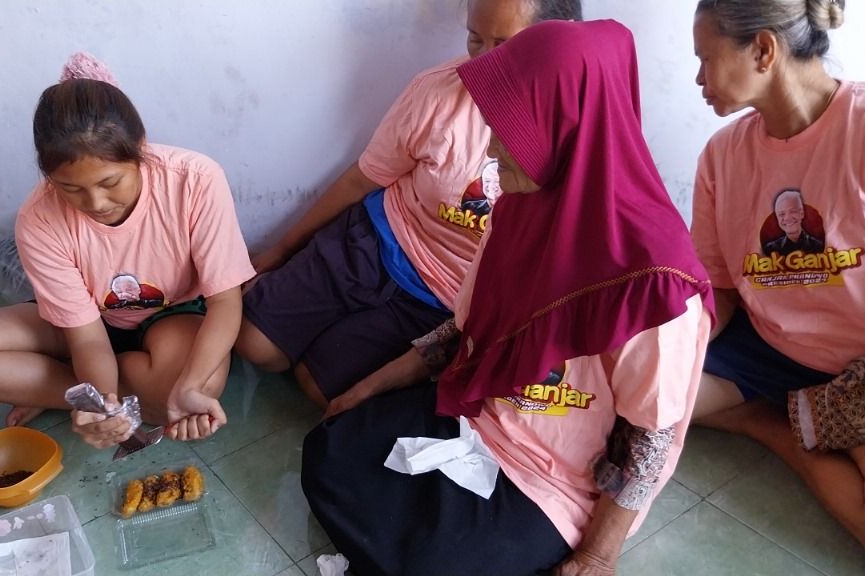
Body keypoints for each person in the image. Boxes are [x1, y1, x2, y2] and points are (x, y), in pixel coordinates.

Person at [302, 20, 714, 576]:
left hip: (558, 481)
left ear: (565, 126)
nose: (492, 148)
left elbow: (652, 434)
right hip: (484, 417)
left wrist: (598, 553)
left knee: (429, 555)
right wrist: (374, 384)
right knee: (328, 453)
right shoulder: (519, 214)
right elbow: (471, 331)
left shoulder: (656, 284)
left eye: (506, 130)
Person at [234, 0, 583, 416]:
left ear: (559, 40)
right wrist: (281, 250)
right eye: (475, 38)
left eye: (506, 43)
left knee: (318, 385)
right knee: (254, 342)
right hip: (374, 243)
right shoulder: (439, 90)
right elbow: (362, 178)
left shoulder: (576, 132)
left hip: (441, 299)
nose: (486, 61)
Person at [689, 0, 865, 567]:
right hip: (765, 350)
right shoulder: (721, 156)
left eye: (706, 58)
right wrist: (670, 347)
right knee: (638, 401)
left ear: (763, 50)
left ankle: (790, 423)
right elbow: (715, 290)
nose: (697, 78)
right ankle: (781, 422)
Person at [0, 54, 254, 445]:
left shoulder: (195, 180)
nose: (96, 202)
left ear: (141, 150)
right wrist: (100, 406)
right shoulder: (39, 218)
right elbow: (86, 337)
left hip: (173, 315)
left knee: (186, 390)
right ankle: (96, 398)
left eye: (111, 181)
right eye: (70, 188)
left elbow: (226, 302)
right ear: (48, 176)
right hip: (82, 324)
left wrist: (191, 386)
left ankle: (54, 386)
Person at [760, 189, 825, 255]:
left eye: (792, 211)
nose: (787, 218)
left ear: (802, 213)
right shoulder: (770, 249)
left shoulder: (818, 247)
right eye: (781, 214)